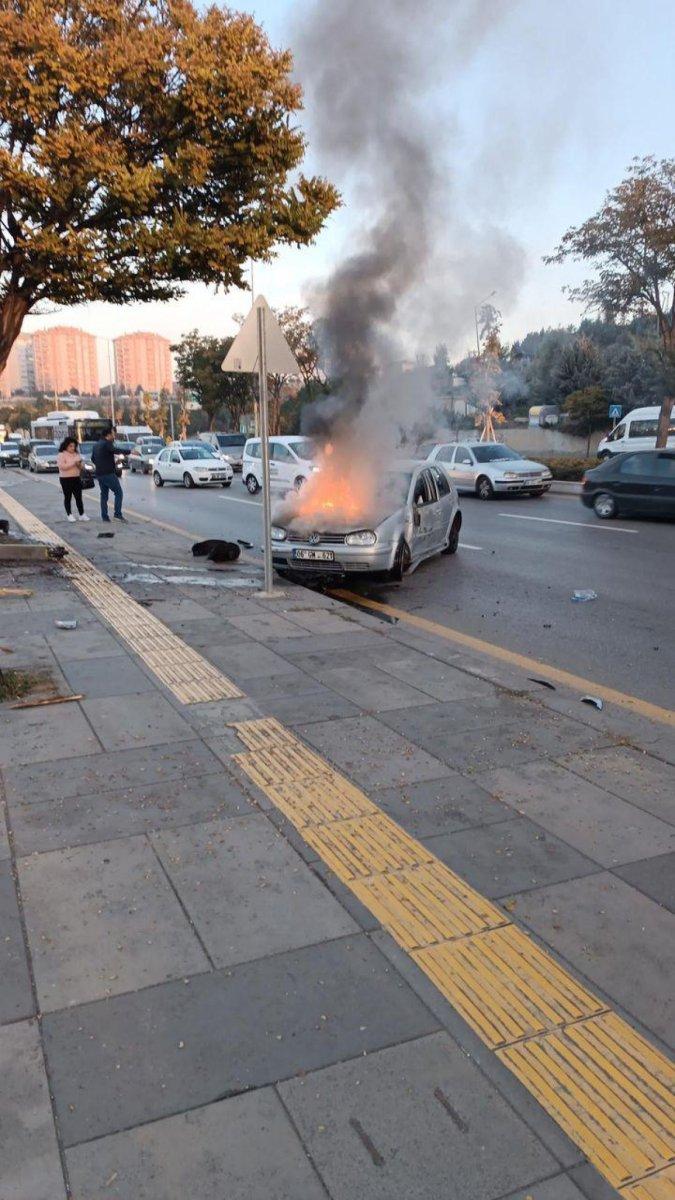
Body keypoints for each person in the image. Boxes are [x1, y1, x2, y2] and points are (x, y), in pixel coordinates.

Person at [91, 426, 126, 522]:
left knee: (104, 495)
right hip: (108, 473)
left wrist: (106, 464)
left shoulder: (96, 445)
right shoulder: (107, 443)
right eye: (113, 434)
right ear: (108, 435)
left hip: (99, 474)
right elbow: (116, 450)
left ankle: (104, 516)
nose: (114, 436)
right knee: (118, 492)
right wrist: (130, 451)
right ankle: (117, 514)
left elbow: (93, 459)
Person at [56, 437, 89, 523]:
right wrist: (74, 462)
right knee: (68, 497)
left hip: (76, 478)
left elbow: (82, 467)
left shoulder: (76, 454)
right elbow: (62, 467)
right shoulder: (61, 455)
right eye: (70, 446)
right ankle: (69, 514)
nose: (72, 448)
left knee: (78, 497)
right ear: (66, 446)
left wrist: (80, 465)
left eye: (74, 446)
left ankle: (82, 514)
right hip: (65, 479)